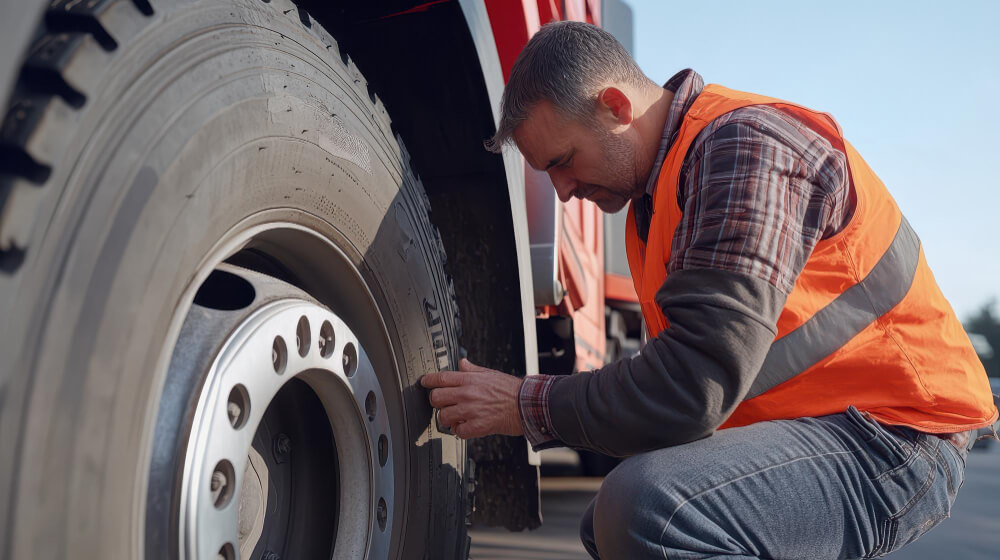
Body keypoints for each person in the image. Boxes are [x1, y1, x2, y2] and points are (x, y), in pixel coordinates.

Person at [420, 21, 998, 559]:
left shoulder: (744, 148)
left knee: (649, 510)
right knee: (605, 523)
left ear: (616, 106)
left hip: (896, 436)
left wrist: (524, 404)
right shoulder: (658, 198)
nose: (563, 190)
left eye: (564, 161)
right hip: (832, 425)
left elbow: (689, 388)